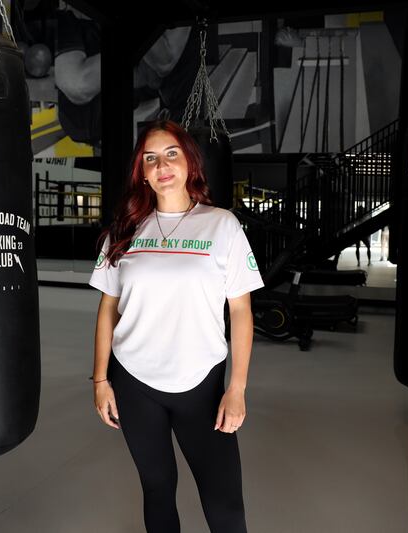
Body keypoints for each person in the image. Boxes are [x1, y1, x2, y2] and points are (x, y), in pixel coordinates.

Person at [89, 120, 264, 533]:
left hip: (201, 382)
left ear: (189, 161)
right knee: (157, 489)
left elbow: (241, 311)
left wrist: (236, 388)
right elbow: (106, 309)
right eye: (151, 158)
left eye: (171, 153)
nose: (162, 164)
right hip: (134, 382)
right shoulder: (125, 229)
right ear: (143, 172)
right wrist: (100, 380)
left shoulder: (222, 225)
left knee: (224, 505)